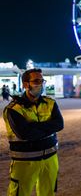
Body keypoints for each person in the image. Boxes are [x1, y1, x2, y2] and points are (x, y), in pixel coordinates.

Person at [3, 68, 64, 196]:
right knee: (19, 193)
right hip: (24, 162)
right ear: (26, 84)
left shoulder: (50, 103)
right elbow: (26, 134)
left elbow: (59, 124)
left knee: (48, 193)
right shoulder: (13, 109)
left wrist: (34, 126)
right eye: (36, 81)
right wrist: (48, 127)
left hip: (50, 159)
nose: (40, 84)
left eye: (42, 80)